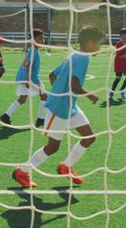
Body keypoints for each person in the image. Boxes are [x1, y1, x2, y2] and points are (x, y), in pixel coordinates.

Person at [12, 25, 103, 188]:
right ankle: (22, 171)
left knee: (89, 137)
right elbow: (74, 84)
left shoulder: (74, 55)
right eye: (98, 44)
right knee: (53, 147)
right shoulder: (82, 57)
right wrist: (89, 95)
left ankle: (66, 166)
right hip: (59, 109)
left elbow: (53, 74)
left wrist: (58, 90)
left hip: (70, 106)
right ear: (90, 43)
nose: (99, 48)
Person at [0, 29, 48, 128]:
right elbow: (29, 65)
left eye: (43, 38)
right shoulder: (34, 51)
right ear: (33, 39)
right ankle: (40, 119)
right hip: (31, 78)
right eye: (40, 38)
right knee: (44, 96)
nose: (43, 40)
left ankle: (6, 116)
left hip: (24, 77)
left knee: (22, 99)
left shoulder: (32, 49)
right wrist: (28, 80)